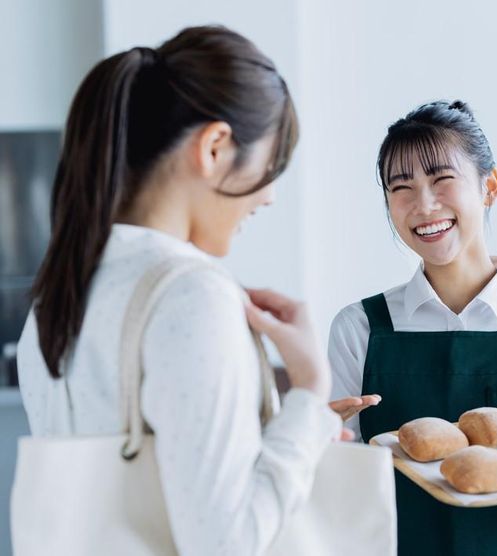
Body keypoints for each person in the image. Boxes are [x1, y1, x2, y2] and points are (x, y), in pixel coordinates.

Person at [17, 25, 344, 555]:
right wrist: (307, 394)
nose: (270, 197)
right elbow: (225, 544)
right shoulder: (191, 295)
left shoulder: (57, 298)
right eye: (271, 165)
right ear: (215, 147)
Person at [328, 100, 497, 556]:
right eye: (401, 187)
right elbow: (343, 489)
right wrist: (318, 445)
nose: (423, 204)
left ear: (489, 186)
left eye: (441, 179)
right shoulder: (359, 328)